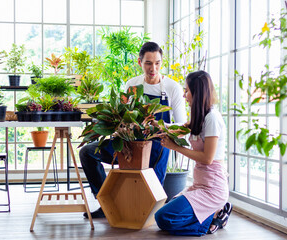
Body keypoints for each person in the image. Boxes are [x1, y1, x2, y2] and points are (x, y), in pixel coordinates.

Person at [79, 41, 187, 218]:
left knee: (150, 206)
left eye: (157, 63)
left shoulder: (171, 88)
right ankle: (107, 204)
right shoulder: (132, 85)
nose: (153, 68)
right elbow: (124, 114)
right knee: (87, 152)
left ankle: (149, 211)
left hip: (158, 146)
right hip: (130, 143)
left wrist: (159, 126)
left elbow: (182, 125)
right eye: (148, 63)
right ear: (139, 62)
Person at [155, 70, 232, 236]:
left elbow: (207, 158)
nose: (184, 95)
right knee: (162, 215)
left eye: (187, 90)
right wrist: (156, 124)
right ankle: (213, 213)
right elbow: (178, 128)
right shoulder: (200, 116)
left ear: (197, 93)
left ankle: (212, 217)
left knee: (163, 218)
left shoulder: (212, 118)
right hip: (199, 185)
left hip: (212, 188)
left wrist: (175, 147)